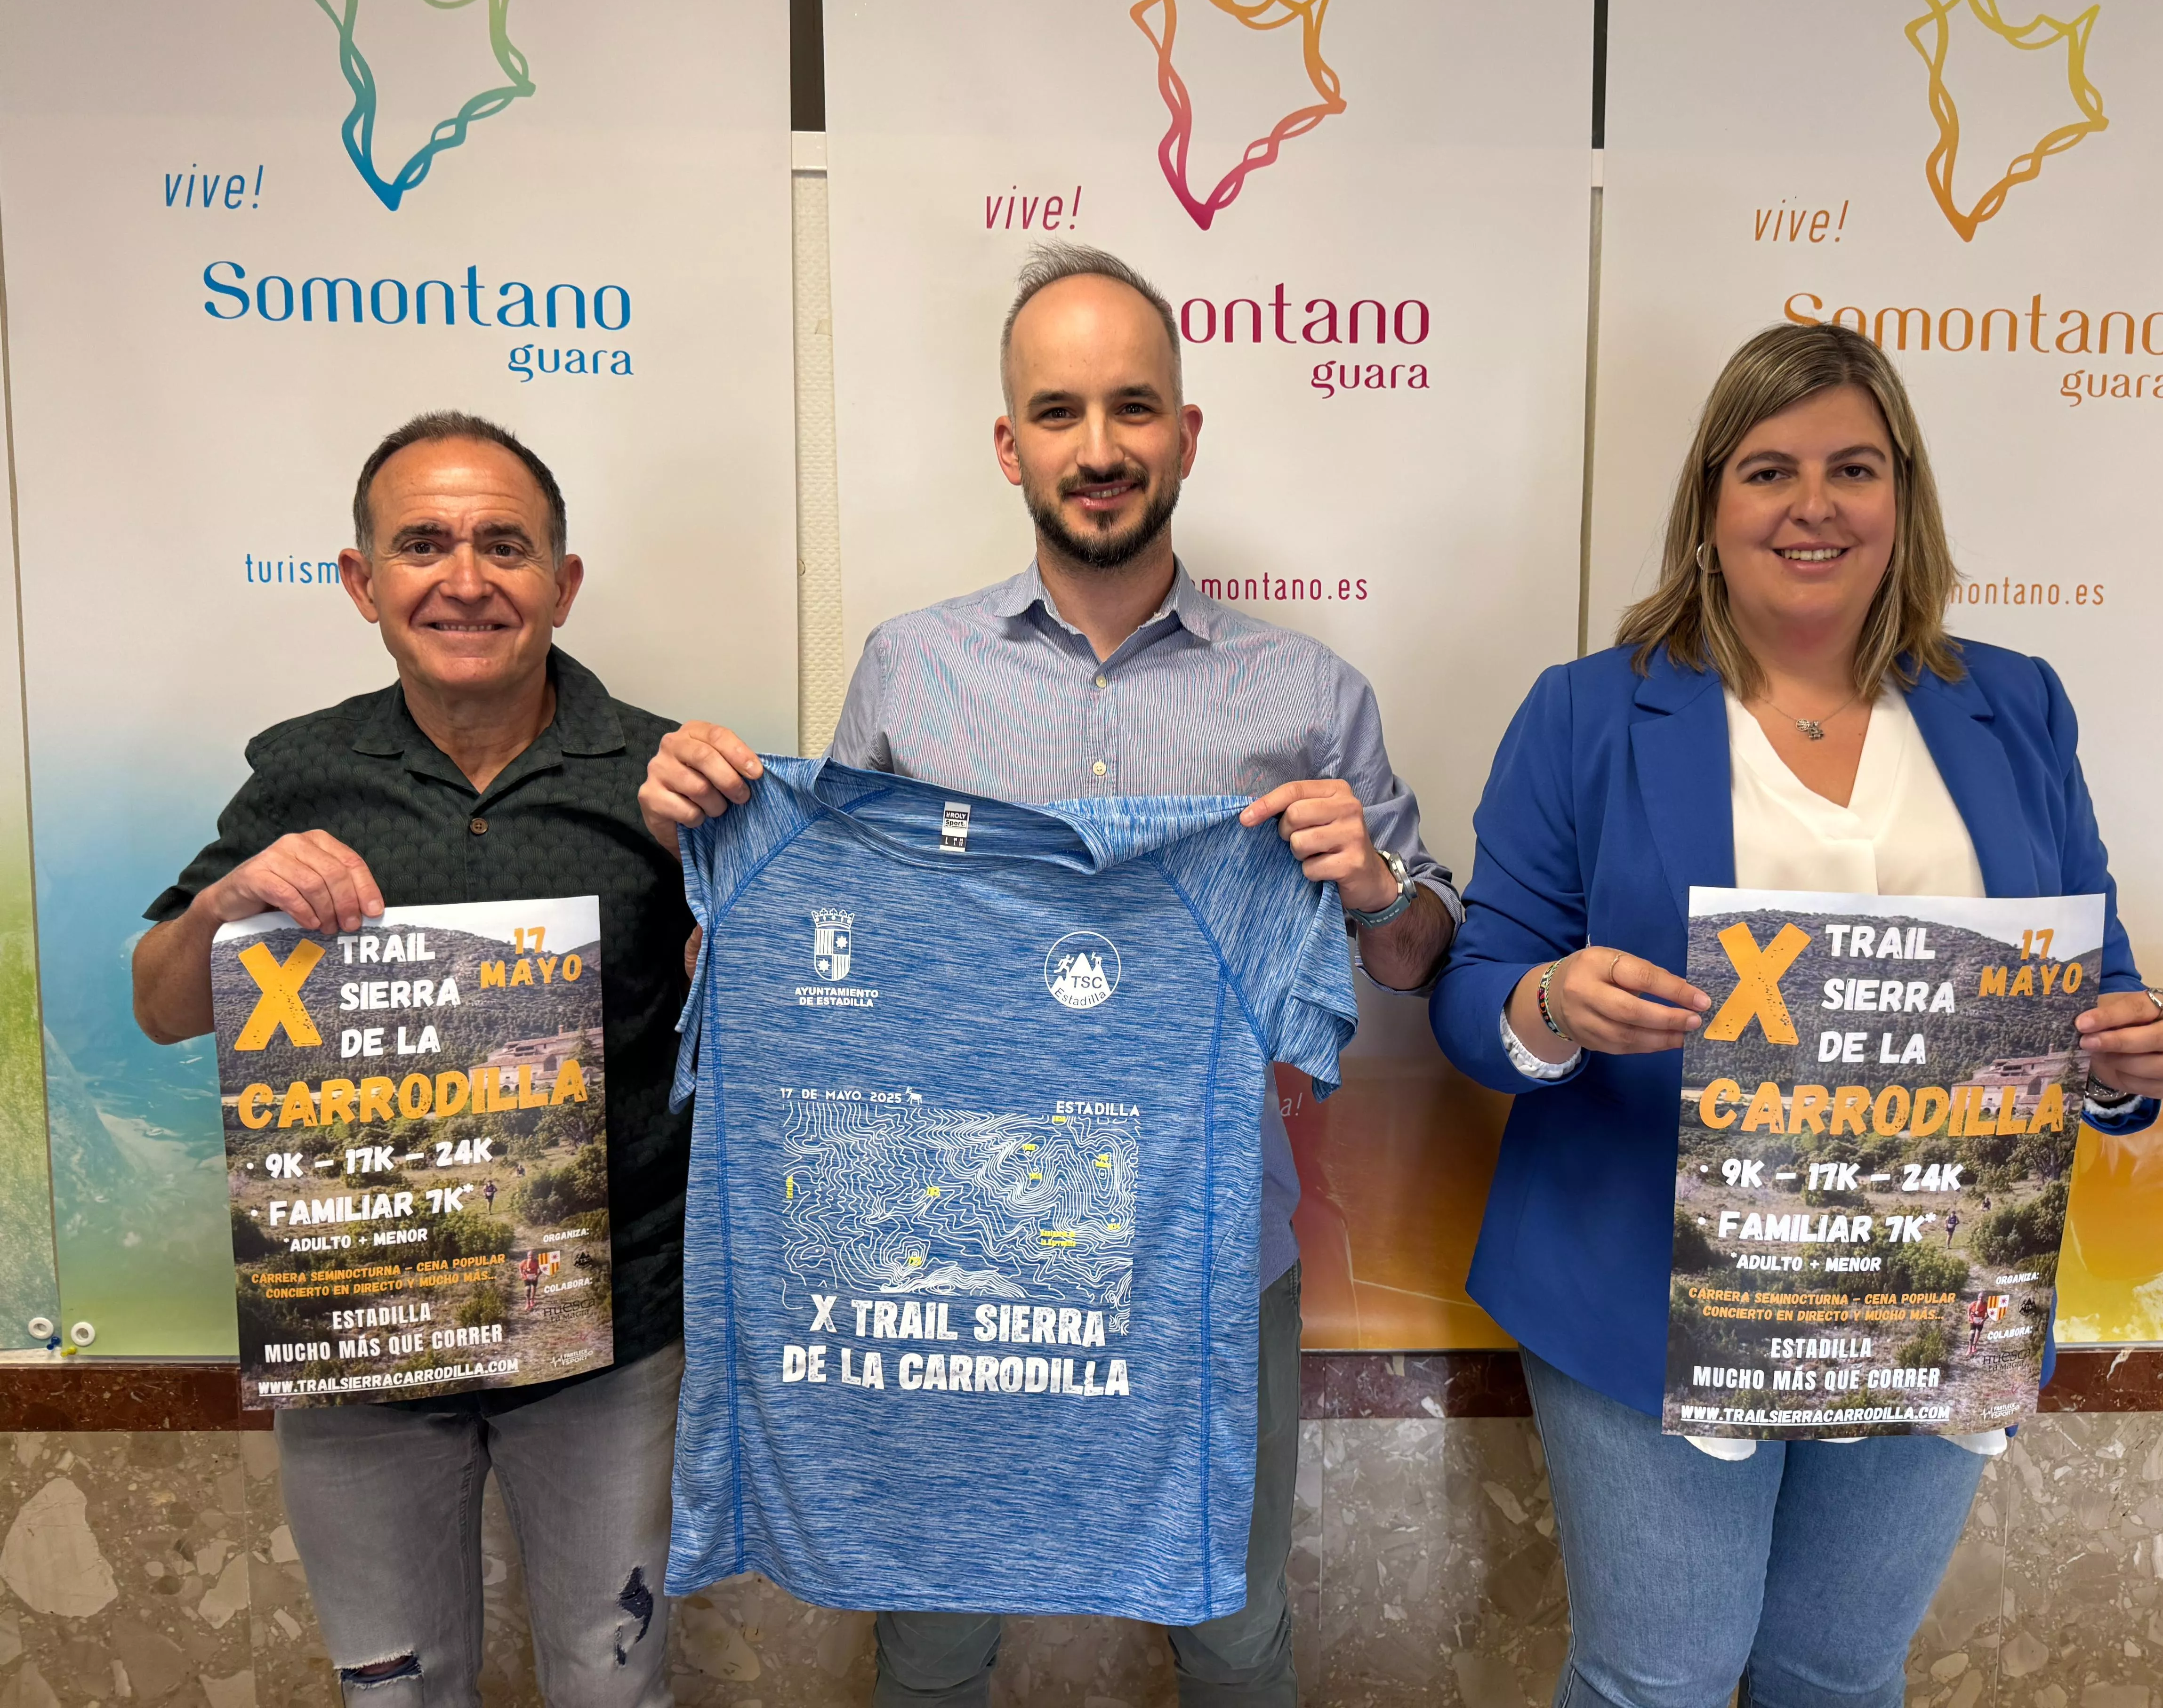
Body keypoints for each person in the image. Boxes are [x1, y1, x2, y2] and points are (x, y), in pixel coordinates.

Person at [643, 242, 1458, 1707]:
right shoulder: (909, 669)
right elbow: (832, 948)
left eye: (1135, 409)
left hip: (1210, 1252)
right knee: (934, 1627)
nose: (1101, 449)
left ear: (1186, 435)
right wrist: (723, 863)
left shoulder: (1309, 695)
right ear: (1010, 442)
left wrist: (1377, 888)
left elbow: (1414, 962)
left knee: (1233, 1622)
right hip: (938, 1262)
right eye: (1063, 412)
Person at [1428, 323, 2163, 1708]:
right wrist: (1554, 1002)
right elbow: (1477, 996)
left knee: (1839, 1678)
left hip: (1939, 1285)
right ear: (1710, 505)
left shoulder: (2014, 707)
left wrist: (2130, 1055)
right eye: (1769, 469)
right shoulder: (1592, 715)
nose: (1813, 504)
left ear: (1903, 495)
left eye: (1854, 466)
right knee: (1655, 1680)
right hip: (1648, 1287)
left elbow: (2096, 984)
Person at [130, 412, 696, 1708]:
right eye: (424, 544)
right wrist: (225, 911)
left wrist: (741, 917)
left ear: (563, 582)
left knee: (615, 1688)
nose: (466, 577)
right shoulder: (305, 770)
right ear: (362, 581)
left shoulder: (660, 779)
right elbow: (165, 1005)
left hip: (606, 1347)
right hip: (362, 1340)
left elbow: (771, 1008)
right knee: (396, 1695)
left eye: (506, 545)